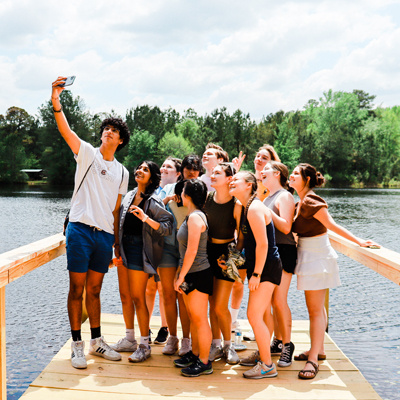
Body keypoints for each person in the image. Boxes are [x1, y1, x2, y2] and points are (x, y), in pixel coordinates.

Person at [51, 76, 130, 369]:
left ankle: (97, 342)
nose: (108, 132)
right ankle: (77, 345)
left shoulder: (123, 173)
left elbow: (116, 210)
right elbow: (65, 130)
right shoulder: (86, 154)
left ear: (120, 140)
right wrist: (56, 101)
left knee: (95, 291)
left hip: (104, 236)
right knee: (77, 288)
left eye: (114, 131)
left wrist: (116, 245)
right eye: (106, 129)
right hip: (81, 230)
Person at [289, 163, 379, 379]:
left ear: (307, 179)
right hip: (308, 256)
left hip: (318, 258)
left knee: (315, 310)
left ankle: (313, 361)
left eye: (295, 174)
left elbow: (331, 225)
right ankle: (317, 350)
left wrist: (358, 241)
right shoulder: (298, 202)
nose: (291, 176)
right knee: (316, 307)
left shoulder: (312, 201)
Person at [112, 161, 173, 363]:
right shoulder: (129, 196)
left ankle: (144, 344)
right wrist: (117, 247)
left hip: (139, 250)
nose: (139, 170)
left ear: (152, 176)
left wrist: (146, 218)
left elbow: (167, 227)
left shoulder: (154, 201)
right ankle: (129, 338)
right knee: (124, 295)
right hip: (124, 249)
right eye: (139, 168)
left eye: (145, 169)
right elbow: (118, 222)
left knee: (138, 297)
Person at [227, 171, 282, 379]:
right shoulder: (247, 207)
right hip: (262, 267)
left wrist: (256, 274)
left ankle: (267, 365)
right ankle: (264, 357)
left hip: (266, 267)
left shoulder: (255, 208)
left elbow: (263, 244)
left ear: (249, 185)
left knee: (253, 315)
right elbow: (245, 242)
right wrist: (232, 260)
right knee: (258, 315)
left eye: (236, 180)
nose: (231, 181)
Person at [158, 154, 202, 356]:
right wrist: (167, 199)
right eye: (187, 168)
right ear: (181, 170)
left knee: (183, 294)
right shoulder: (169, 188)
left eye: (195, 168)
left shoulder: (201, 190)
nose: (191, 171)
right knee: (168, 293)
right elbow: (155, 209)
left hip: (189, 250)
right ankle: (172, 337)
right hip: (168, 247)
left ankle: (186, 340)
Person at [174, 179, 214, 377]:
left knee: (199, 319)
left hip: (198, 273)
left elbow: (191, 251)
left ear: (186, 195)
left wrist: (180, 276)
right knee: (194, 317)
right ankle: (196, 354)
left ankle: (205, 362)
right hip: (191, 273)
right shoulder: (192, 215)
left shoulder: (195, 218)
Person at [205, 163, 242, 365]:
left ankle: (229, 345)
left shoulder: (236, 204)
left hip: (227, 255)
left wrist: (233, 258)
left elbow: (241, 236)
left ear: (229, 179)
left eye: (218, 173)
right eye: (213, 172)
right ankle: (216, 344)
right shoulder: (206, 199)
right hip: (207, 252)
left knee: (220, 305)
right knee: (211, 303)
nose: (213, 175)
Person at [261, 161, 297, 367]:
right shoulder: (267, 196)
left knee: (279, 300)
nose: (261, 173)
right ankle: (275, 342)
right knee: (269, 301)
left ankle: (287, 345)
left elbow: (285, 227)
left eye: (265, 170)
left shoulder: (284, 196)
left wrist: (266, 212)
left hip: (284, 251)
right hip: (270, 252)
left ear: (276, 173)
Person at [146, 157, 182, 346]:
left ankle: (165, 327)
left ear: (178, 173)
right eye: (163, 166)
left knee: (164, 289)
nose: (164, 168)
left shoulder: (180, 190)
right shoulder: (152, 189)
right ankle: (146, 327)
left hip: (171, 247)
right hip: (151, 245)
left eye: (170, 166)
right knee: (149, 288)